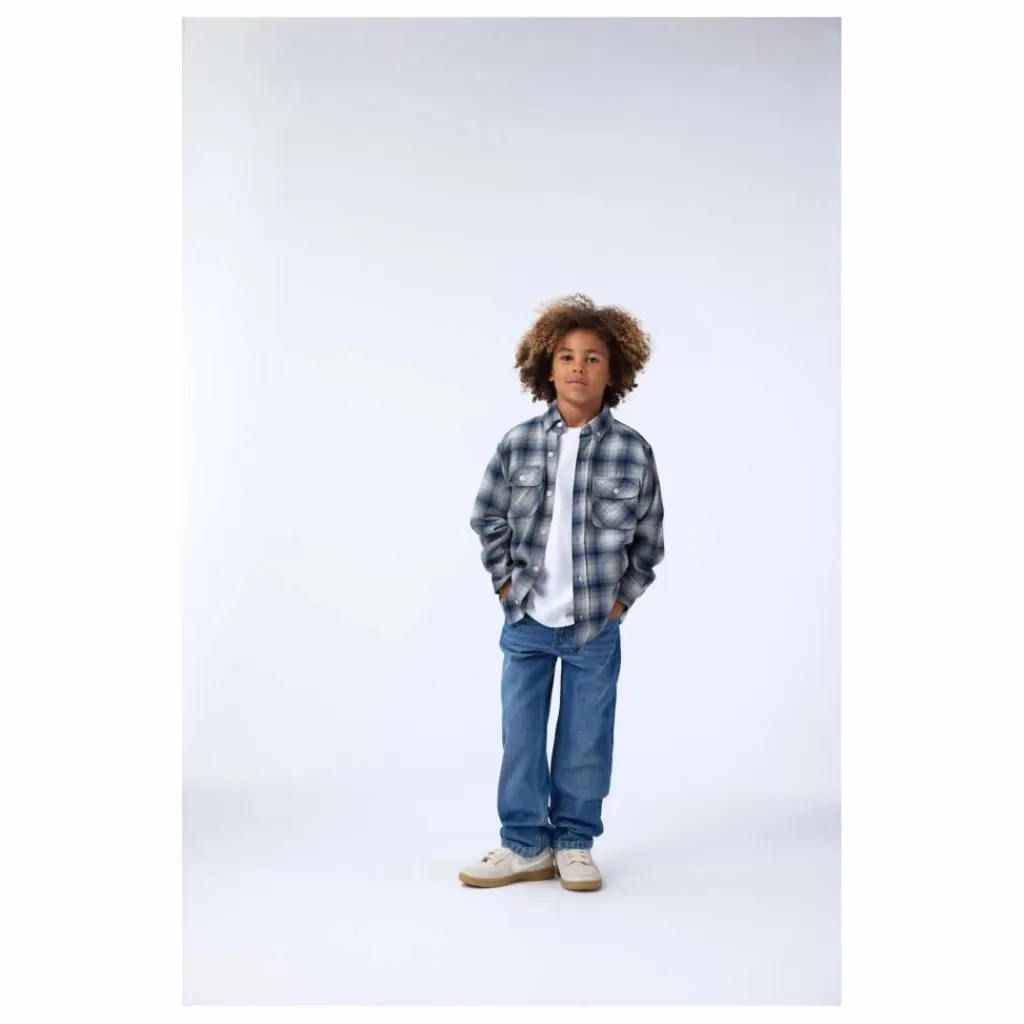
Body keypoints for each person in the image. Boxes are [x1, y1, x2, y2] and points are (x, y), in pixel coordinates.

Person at [460, 294, 665, 892]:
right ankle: (525, 845)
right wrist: (507, 585)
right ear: (546, 368)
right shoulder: (518, 443)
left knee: (585, 740)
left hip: (594, 626)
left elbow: (648, 539)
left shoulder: (632, 450)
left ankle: (574, 842)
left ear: (614, 370)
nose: (579, 367)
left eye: (593, 357)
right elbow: (488, 517)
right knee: (521, 738)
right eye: (567, 356)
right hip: (527, 619)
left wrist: (620, 603)